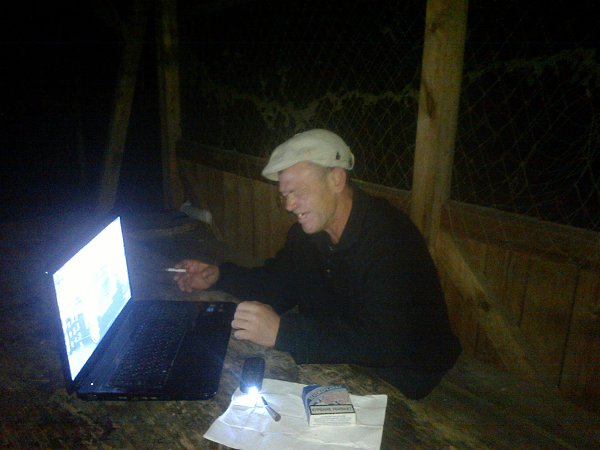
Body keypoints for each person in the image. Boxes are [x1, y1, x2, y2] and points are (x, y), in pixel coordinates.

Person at [174, 128, 461, 399]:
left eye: (298, 191)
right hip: (343, 361)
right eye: (285, 195)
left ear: (336, 180)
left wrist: (284, 332)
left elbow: (387, 340)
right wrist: (218, 276)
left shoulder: (390, 238)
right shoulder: (306, 237)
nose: (289, 206)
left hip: (404, 377)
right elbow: (276, 285)